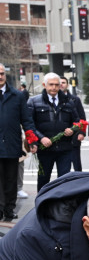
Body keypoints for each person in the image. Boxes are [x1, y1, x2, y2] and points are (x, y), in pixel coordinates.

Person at [27, 73, 80, 191]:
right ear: (44, 85)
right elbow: (29, 125)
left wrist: (72, 130)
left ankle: (62, 206)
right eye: (51, 85)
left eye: (57, 85)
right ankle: (41, 204)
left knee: (64, 180)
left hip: (65, 149)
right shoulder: (34, 102)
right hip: (45, 149)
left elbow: (77, 122)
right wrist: (41, 138)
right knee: (43, 179)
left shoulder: (68, 102)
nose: (54, 87)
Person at [0, 63, 34, 222]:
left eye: (1, 73)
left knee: (11, 180)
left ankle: (9, 209)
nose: (0, 76)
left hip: (12, 146)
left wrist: (32, 140)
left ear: (5, 75)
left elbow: (26, 120)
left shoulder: (17, 96)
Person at [62, 84, 86, 173]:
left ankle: (79, 180)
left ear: (67, 85)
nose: (61, 84)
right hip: (60, 137)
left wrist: (81, 133)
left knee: (76, 162)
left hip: (74, 135)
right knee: (63, 164)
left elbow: (81, 118)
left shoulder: (75, 99)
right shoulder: (54, 100)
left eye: (63, 82)